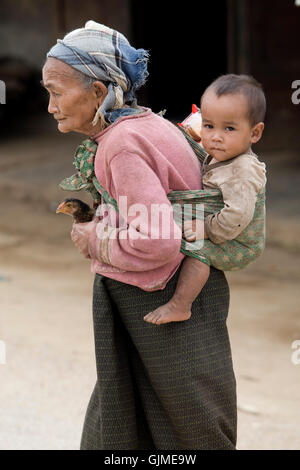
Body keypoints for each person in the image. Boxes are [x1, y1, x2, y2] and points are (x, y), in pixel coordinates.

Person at [43, 20, 237, 450]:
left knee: (181, 422)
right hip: (178, 289)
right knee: (159, 413)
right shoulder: (147, 123)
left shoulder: (122, 144)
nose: (50, 104)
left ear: (98, 91)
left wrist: (94, 239)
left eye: (57, 92)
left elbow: (157, 241)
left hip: (156, 297)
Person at [144, 74, 267, 325]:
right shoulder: (222, 153)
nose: (216, 137)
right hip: (228, 229)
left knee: (196, 250)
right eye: (209, 125)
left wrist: (206, 229)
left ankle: (181, 305)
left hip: (240, 242)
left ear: (255, 133)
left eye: (229, 128)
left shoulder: (243, 171)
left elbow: (238, 216)